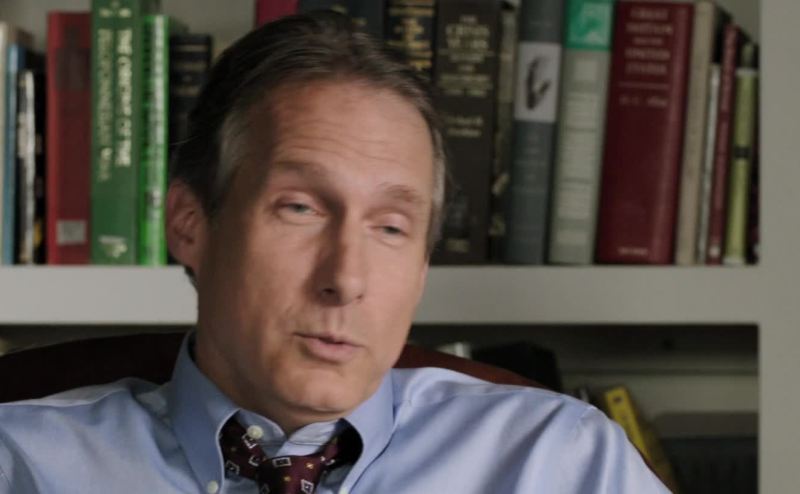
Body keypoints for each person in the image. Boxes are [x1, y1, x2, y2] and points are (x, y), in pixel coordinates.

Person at [0, 12, 668, 494]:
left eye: (391, 228)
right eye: (300, 209)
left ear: (423, 266)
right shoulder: (23, 466)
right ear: (189, 223)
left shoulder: (559, 465)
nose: (345, 279)